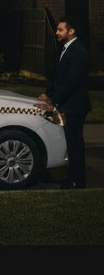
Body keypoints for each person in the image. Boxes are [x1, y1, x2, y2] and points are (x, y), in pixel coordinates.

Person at [38, 16, 92, 189]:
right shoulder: (66, 49)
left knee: (75, 144)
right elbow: (59, 79)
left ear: (71, 31)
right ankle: (72, 178)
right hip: (68, 104)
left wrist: (53, 101)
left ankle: (77, 181)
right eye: (57, 30)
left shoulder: (78, 51)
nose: (57, 33)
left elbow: (71, 82)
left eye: (60, 30)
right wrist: (48, 94)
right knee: (70, 143)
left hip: (75, 106)